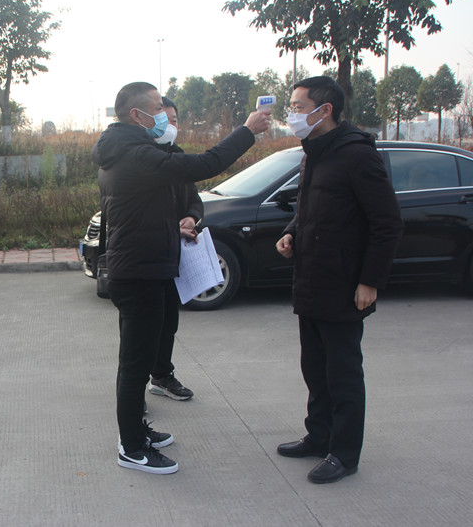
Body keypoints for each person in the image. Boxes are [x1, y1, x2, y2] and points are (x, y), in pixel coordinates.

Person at [95, 82, 270, 474]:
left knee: (142, 358)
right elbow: (205, 164)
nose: (164, 114)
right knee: (135, 365)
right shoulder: (136, 155)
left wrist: (181, 223)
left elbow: (150, 209)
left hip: (145, 266)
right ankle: (131, 448)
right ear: (137, 115)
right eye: (158, 107)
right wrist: (247, 130)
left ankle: (137, 432)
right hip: (138, 272)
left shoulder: (125, 151)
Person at [275, 76, 403, 484]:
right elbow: (309, 207)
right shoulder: (313, 152)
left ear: (324, 109)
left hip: (345, 284)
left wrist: (370, 280)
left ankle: (345, 454)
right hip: (311, 278)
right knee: (315, 368)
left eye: (298, 107)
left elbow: (387, 222)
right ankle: (319, 436)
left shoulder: (357, 155)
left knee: (343, 374)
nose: (292, 114)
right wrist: (292, 232)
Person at [147, 97, 199, 402]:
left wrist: (191, 217)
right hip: (147, 257)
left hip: (174, 256)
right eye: (164, 121)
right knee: (143, 329)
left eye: (175, 121)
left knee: (169, 321)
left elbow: (194, 199)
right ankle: (133, 394)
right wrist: (170, 227)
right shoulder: (139, 160)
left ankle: (162, 376)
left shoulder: (179, 158)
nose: (171, 126)